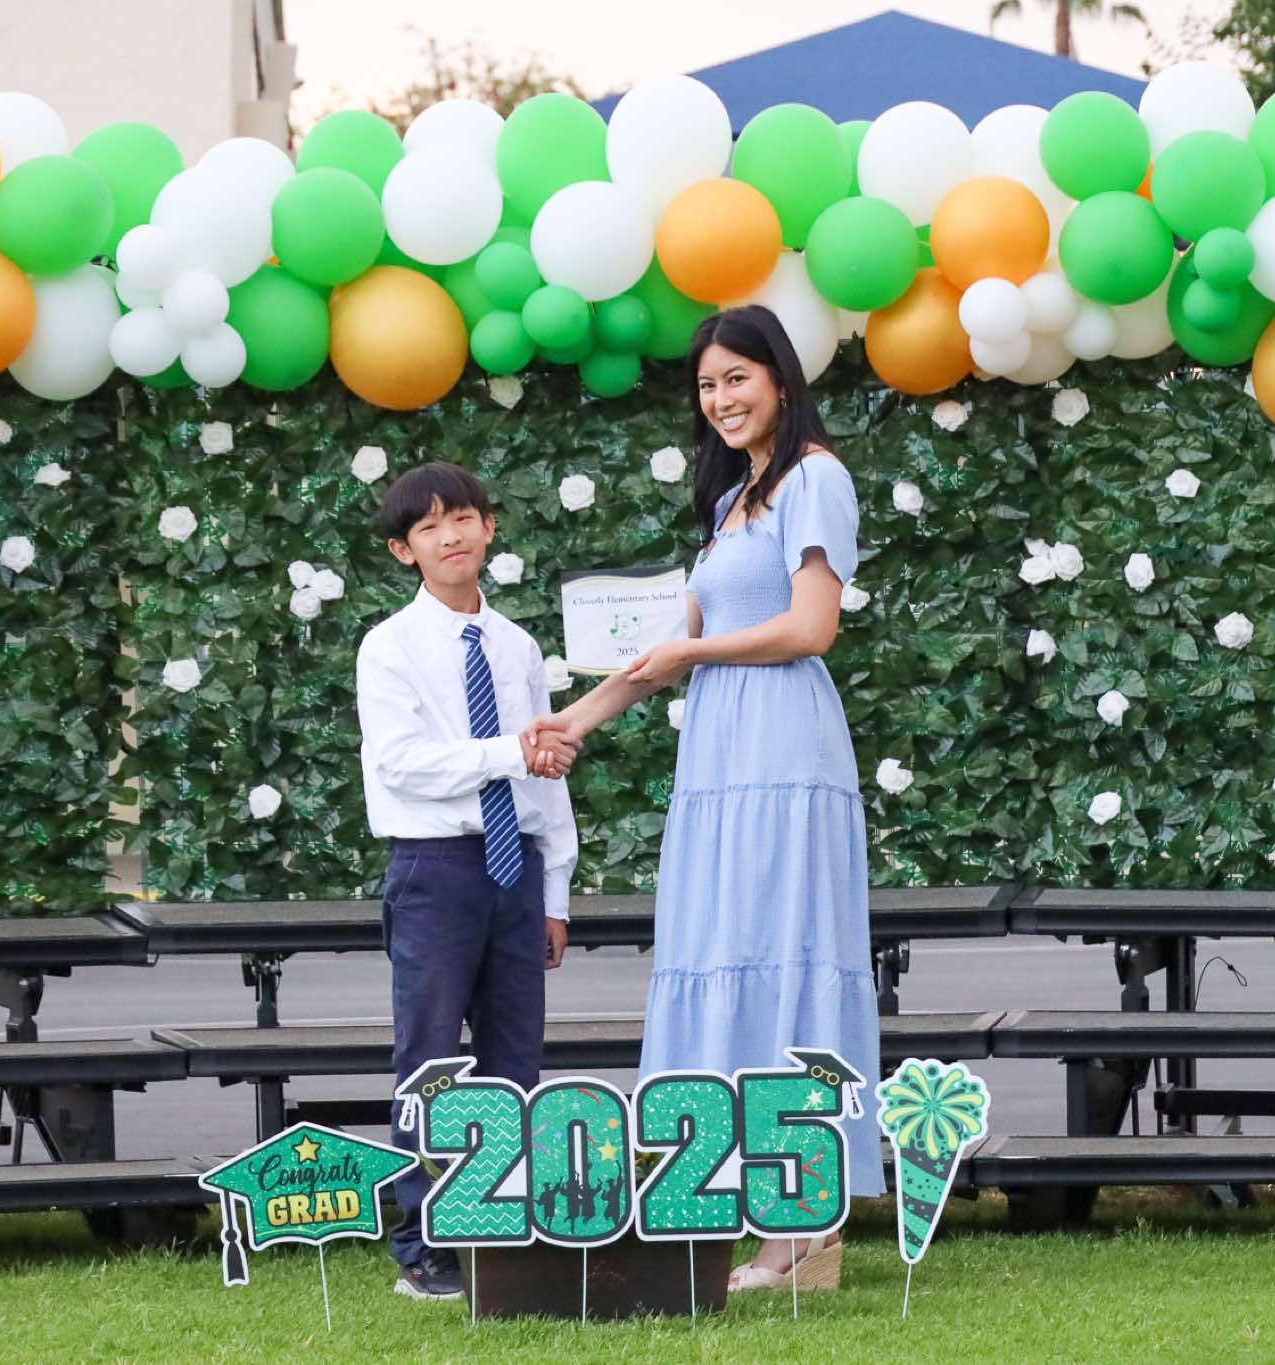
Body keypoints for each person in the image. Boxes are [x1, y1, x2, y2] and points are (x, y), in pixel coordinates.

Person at [537, 305, 882, 1292]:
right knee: (723, 949)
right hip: (721, 755)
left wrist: (692, 650)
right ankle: (741, 1201)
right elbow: (659, 651)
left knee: (785, 955)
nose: (722, 399)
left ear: (778, 379)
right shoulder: (732, 500)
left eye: (738, 377)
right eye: (707, 385)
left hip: (784, 744)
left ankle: (801, 1226)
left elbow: (810, 628)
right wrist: (572, 722)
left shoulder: (815, 477)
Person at [355, 461, 579, 1300]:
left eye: (463, 518)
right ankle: (424, 1242)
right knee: (430, 1056)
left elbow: (549, 774)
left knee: (516, 1053)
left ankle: (505, 1221)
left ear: (489, 527)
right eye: (428, 527)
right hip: (435, 866)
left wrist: (554, 892)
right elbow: (402, 763)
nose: (450, 536)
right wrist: (507, 751)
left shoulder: (517, 646)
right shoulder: (389, 646)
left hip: (516, 865)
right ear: (403, 550)